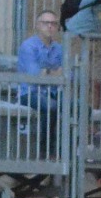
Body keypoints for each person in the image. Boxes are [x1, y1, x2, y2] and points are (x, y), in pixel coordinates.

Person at [17, 9, 65, 153]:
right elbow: (35, 75)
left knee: (81, 107)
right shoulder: (28, 46)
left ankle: (74, 151)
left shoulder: (59, 48)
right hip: (30, 94)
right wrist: (54, 72)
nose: (50, 26)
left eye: (53, 23)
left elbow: (69, 74)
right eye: (46, 23)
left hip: (54, 92)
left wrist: (48, 72)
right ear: (37, 25)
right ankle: (47, 150)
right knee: (51, 106)